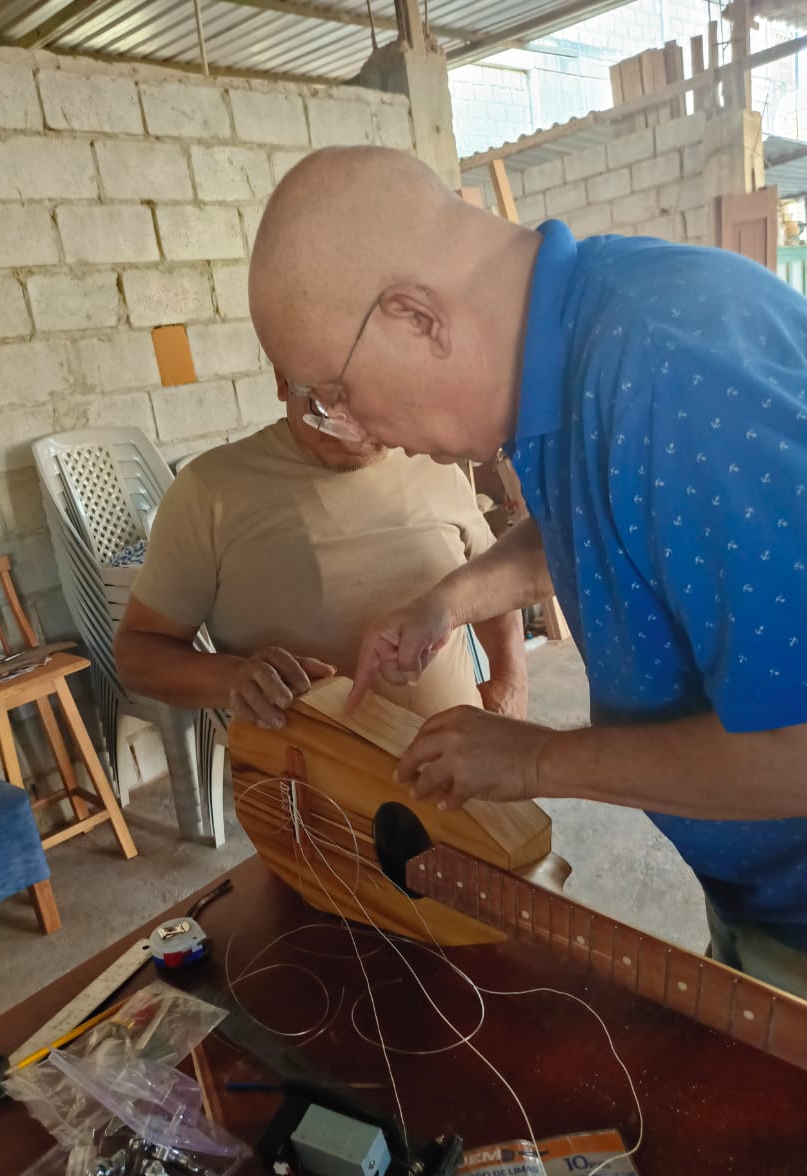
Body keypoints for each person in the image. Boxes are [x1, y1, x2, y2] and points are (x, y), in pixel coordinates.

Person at [247, 145, 807, 994]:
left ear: (414, 317)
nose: (351, 430)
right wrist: (448, 603)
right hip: (759, 892)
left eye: (336, 393)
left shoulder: (668, 372)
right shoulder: (574, 346)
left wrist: (538, 761)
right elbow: (599, 518)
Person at [113, 370, 528, 733]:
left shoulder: (434, 464)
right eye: (328, 404)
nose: (354, 429)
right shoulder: (210, 491)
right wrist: (232, 678)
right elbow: (137, 654)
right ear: (283, 378)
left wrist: (510, 680)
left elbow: (493, 584)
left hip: (458, 776)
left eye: (376, 405)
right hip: (306, 789)